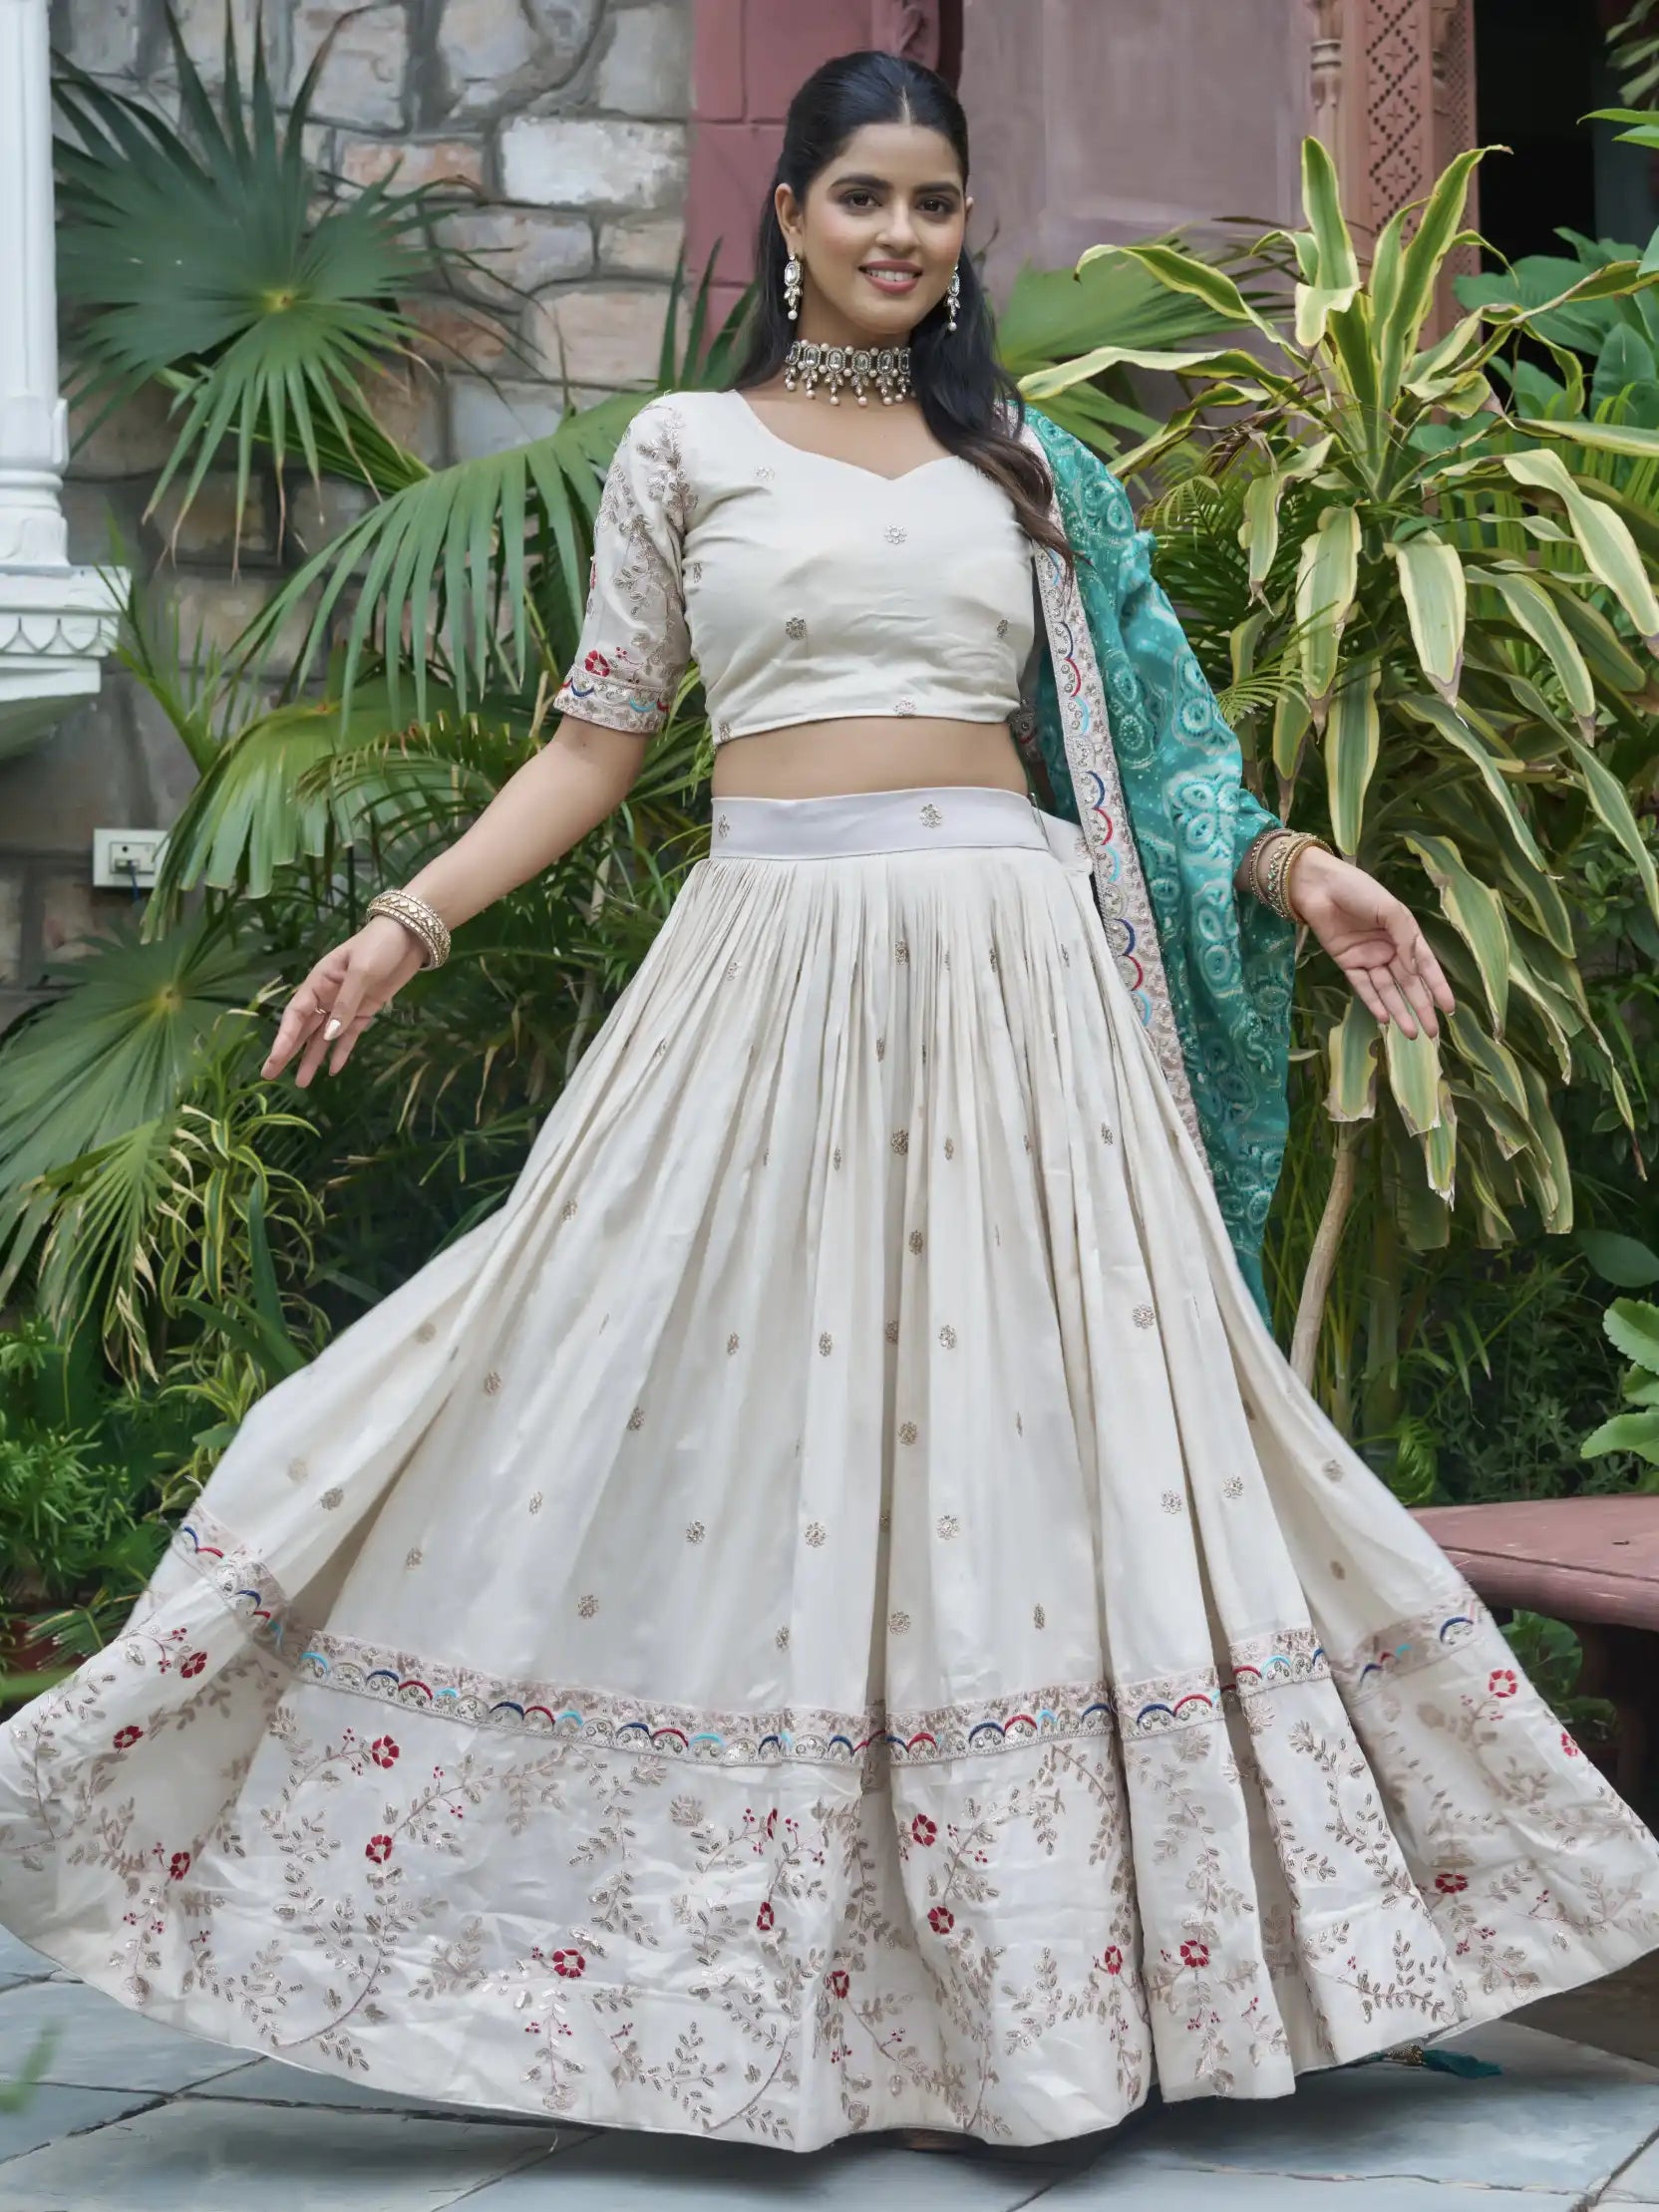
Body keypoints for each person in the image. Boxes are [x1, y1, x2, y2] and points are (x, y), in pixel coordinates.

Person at [2, 47, 1656, 2163]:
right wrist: (406, 922)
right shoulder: (684, 451)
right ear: (786, 214)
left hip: (1017, 983)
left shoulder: (1035, 477)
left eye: (935, 205)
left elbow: (1151, 762)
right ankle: (716, 1964)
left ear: (963, 234)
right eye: (861, 196)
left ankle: (1068, 1986)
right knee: (632, 1378)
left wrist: (1302, 872)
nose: (899, 235)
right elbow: (599, 746)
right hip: (767, 976)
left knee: (1044, 1449)